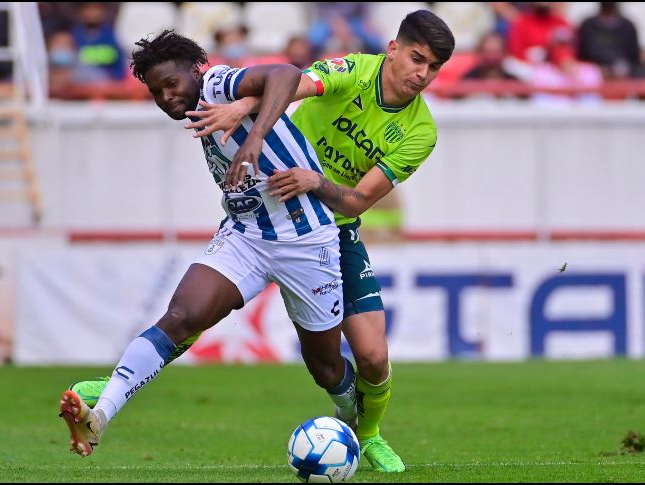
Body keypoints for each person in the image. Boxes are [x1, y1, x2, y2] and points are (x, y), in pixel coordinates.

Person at [72, 10, 455, 473]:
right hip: (249, 231)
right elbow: (294, 82)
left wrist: (265, 139)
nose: (423, 74)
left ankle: (366, 433)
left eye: (433, 67)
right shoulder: (355, 70)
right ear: (392, 48)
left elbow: (353, 201)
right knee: (185, 314)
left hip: (320, 230)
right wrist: (243, 104)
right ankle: (108, 401)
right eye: (418, 59)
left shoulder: (420, 131)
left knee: (352, 362)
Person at [59, 30, 357, 459]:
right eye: (156, 91)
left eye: (172, 83)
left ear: (192, 71)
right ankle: (100, 415)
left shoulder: (217, 84)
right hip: (246, 236)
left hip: (307, 238)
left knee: (326, 367)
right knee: (182, 316)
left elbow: (286, 73)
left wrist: (255, 139)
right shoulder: (197, 113)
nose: (166, 96)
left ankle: (355, 418)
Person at [576, 2, 641, 80]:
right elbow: (581, 55)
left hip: (623, 76)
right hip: (591, 76)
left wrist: (623, 69)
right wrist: (598, 69)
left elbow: (634, 58)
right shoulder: (588, 26)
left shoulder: (628, 26)